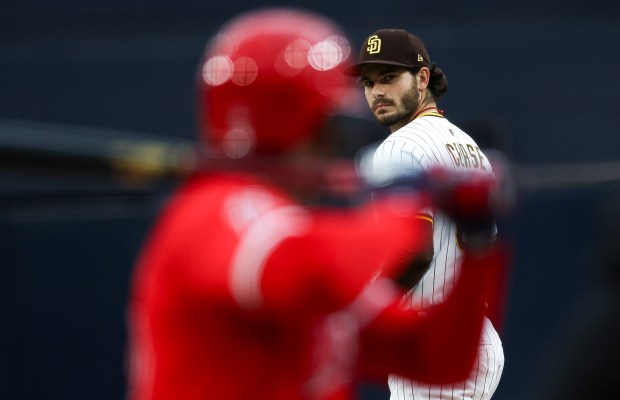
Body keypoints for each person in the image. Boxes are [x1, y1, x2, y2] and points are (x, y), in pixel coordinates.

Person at [125, 11, 505, 400]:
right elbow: (299, 262)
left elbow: (439, 358)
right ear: (288, 120)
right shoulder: (211, 208)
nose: (335, 144)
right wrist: (402, 209)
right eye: (329, 125)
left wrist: (477, 243)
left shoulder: (298, 236)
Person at [345, 29, 505, 400]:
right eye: (369, 83)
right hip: (472, 335)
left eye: (389, 78)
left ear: (422, 78)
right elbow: (485, 246)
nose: (377, 92)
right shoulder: (468, 146)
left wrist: (359, 311)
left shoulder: (398, 147)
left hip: (432, 334)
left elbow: (413, 252)